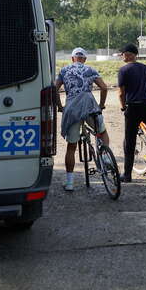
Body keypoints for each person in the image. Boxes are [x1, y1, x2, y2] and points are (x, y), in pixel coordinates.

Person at [55, 47, 110, 191]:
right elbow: (104, 88)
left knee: (71, 147)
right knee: (102, 132)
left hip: (72, 109)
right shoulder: (90, 70)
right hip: (89, 106)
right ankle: (105, 157)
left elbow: (54, 89)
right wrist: (101, 105)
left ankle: (70, 182)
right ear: (84, 59)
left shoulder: (64, 71)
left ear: (72, 58)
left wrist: (60, 106)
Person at [117, 43, 146, 182]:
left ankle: (127, 175)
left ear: (129, 54)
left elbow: (121, 93)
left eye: (122, 53)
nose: (121, 56)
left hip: (134, 108)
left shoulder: (124, 70)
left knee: (130, 141)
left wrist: (123, 107)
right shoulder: (145, 68)